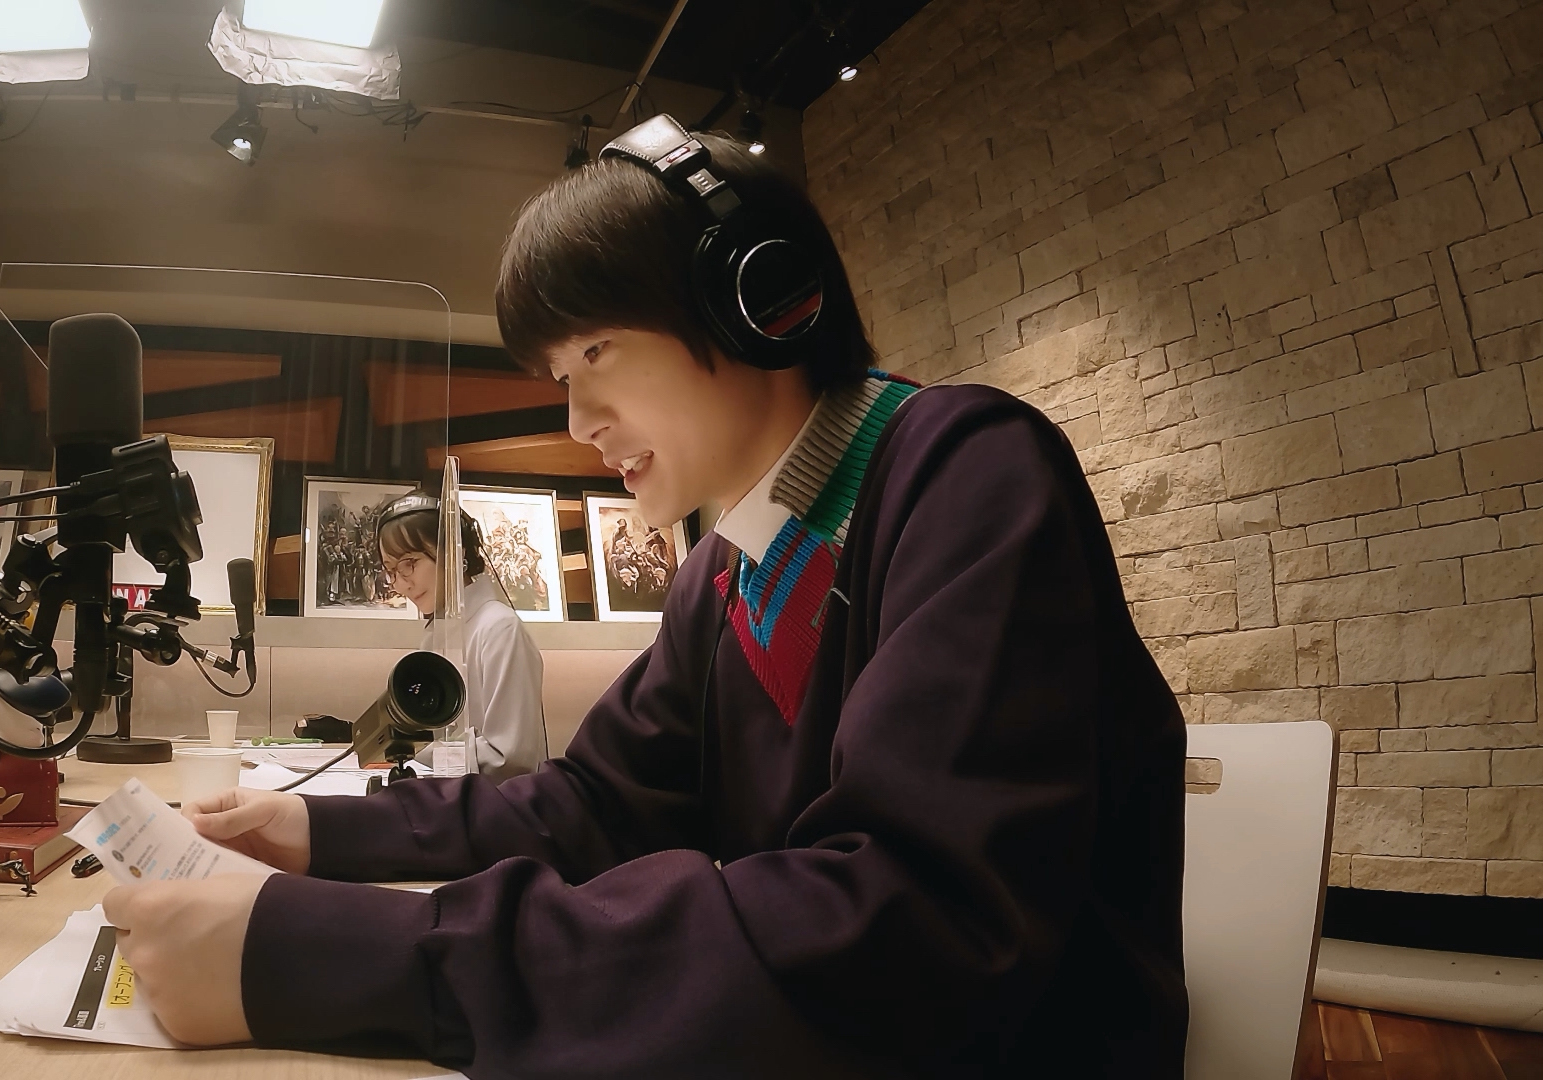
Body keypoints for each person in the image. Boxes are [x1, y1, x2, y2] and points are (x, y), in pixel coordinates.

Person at [102, 115, 1188, 1076]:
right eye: (559, 379)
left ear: (758, 303)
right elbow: (590, 805)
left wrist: (332, 954)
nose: (578, 421)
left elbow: (912, 930)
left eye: (597, 352)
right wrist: (313, 832)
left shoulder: (967, 472)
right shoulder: (726, 571)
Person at [377, 492, 549, 781]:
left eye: (409, 563)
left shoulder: (499, 629)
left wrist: (416, 750)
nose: (401, 585)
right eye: (391, 571)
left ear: (456, 552)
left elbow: (509, 758)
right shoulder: (436, 635)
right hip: (453, 796)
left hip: (499, 804)